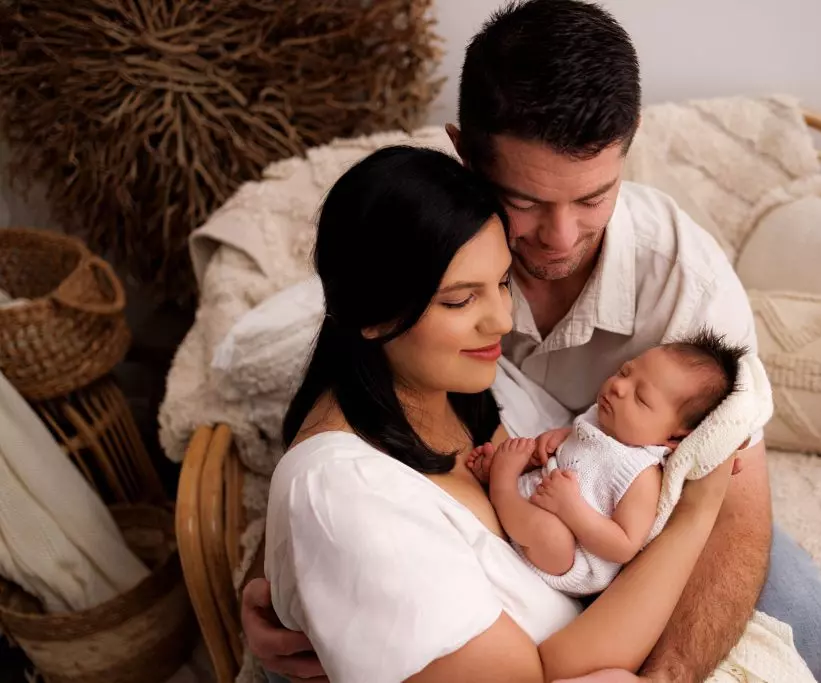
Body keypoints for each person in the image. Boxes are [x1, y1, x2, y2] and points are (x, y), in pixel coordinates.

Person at [244, 2, 821, 682]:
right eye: (526, 202)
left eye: (593, 197)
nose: (559, 240)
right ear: (465, 155)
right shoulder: (434, 245)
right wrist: (291, 583)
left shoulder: (685, 282)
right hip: (524, 545)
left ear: (629, 144)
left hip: (617, 517)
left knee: (808, 615)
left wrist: (664, 676)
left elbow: (730, 494)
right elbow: (343, 402)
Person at [265, 144, 736, 682]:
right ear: (371, 316)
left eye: (504, 283)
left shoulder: (479, 386)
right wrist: (697, 513)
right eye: (460, 300)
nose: (503, 321)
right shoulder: (344, 494)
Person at [467, 332, 747, 597]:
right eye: (625, 372)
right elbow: (577, 452)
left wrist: (571, 508)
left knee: (552, 534)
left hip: (570, 556)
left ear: (673, 437)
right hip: (541, 501)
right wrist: (551, 442)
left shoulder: (642, 475)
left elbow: (624, 545)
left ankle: (502, 489)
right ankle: (504, 477)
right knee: (526, 454)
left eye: (641, 398)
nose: (618, 386)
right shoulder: (601, 420)